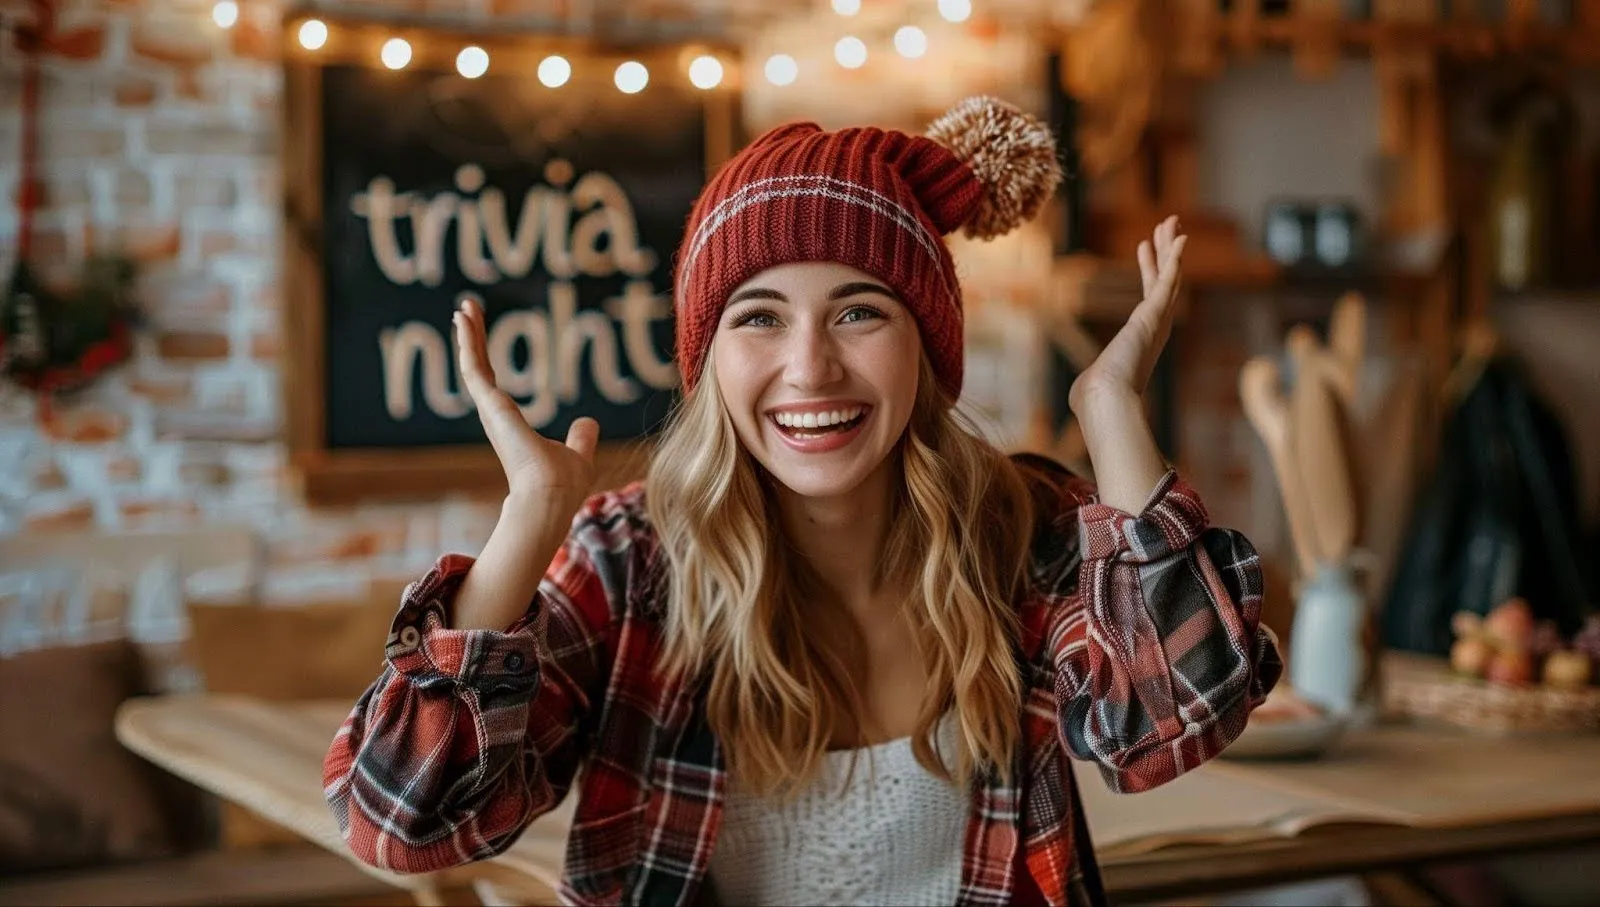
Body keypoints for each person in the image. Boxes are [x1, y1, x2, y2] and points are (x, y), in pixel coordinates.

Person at [323, 96, 1282, 907]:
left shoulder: (1022, 534)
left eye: (859, 310)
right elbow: (401, 822)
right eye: (759, 318)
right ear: (707, 362)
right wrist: (529, 519)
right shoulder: (630, 562)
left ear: (927, 346)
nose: (809, 367)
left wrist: (1110, 409)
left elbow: (1171, 727)